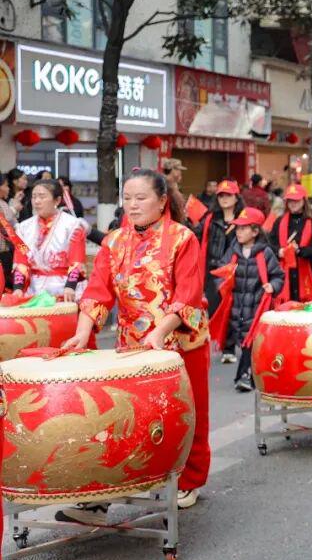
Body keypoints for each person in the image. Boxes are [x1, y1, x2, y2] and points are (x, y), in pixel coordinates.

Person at [59, 168, 211, 514]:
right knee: (127, 418)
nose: (132, 205)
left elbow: (188, 295)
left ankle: (189, 479)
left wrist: (160, 331)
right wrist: (82, 332)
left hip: (180, 341)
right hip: (133, 345)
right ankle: (111, 488)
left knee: (187, 413)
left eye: (141, 198)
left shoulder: (183, 238)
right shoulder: (114, 242)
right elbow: (97, 292)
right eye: (127, 198)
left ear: (162, 201)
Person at [212, 208, 284, 391]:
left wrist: (272, 286)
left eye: (243, 228)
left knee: (249, 342)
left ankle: (244, 377)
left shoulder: (265, 253)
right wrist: (222, 283)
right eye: (238, 228)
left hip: (257, 307)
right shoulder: (233, 251)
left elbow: (278, 275)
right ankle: (254, 375)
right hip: (236, 307)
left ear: (255, 231)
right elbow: (222, 269)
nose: (239, 232)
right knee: (244, 341)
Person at [11, 179, 88, 300]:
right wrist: (18, 288)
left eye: (42, 197)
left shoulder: (73, 226)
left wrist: (70, 286)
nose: (36, 201)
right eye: (34, 197)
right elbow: (21, 261)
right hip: (34, 289)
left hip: (64, 289)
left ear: (57, 200)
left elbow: (76, 261)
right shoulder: (23, 228)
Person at [196, 179, 245, 355]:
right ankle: (221, 342)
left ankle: (229, 348)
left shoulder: (243, 219)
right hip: (214, 272)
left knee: (233, 309)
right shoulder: (210, 219)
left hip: (236, 271)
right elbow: (196, 236)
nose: (224, 199)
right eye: (221, 195)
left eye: (228, 195)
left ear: (236, 197)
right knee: (215, 308)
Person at [270, 185, 312, 304]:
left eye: (296, 200)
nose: (292, 203)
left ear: (304, 201)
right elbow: (270, 246)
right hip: (284, 273)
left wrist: (299, 251)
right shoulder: (279, 222)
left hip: (307, 272)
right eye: (290, 200)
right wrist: (280, 252)